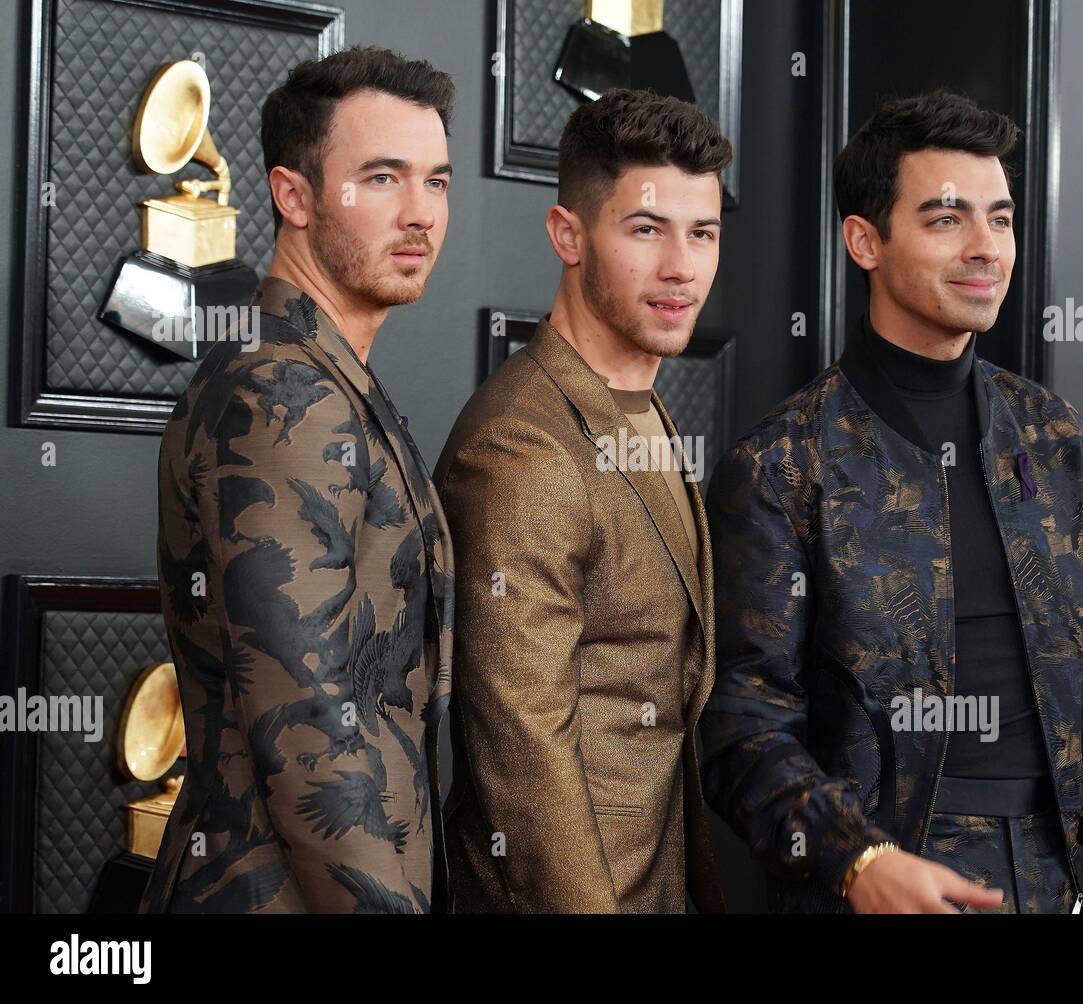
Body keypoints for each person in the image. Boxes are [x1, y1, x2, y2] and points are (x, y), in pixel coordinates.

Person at [702, 90, 1083, 914]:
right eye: (948, 219)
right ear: (865, 241)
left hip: (1063, 884)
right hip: (885, 887)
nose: (986, 248)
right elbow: (744, 726)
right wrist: (858, 861)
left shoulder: (1055, 439)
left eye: (1000, 218)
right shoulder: (785, 461)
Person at [142, 46, 456, 913]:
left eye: (436, 181)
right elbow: (309, 723)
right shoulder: (286, 390)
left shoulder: (317, 370)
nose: (420, 213)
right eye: (383, 177)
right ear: (294, 195)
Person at [434, 88, 730, 913]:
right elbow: (522, 757)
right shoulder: (521, 448)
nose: (681, 267)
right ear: (569, 235)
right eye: (645, 230)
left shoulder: (638, 403)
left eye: (702, 233)